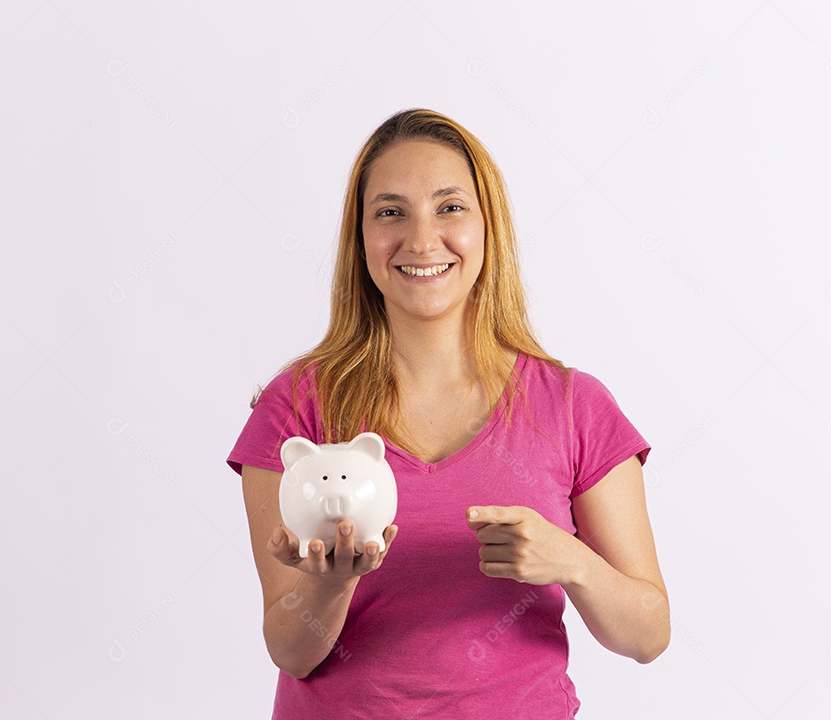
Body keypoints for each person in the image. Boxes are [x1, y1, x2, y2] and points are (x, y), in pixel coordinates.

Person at [227, 108, 669, 718]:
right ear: (361, 238)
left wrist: (569, 560)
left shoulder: (574, 407)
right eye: (390, 213)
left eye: (450, 207)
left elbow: (648, 635)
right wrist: (330, 583)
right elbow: (290, 650)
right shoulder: (296, 408)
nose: (421, 239)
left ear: (489, 227)